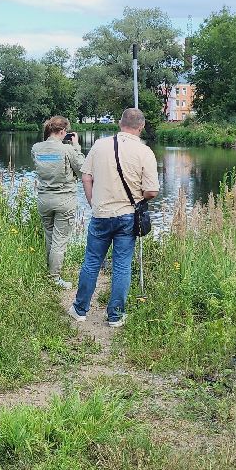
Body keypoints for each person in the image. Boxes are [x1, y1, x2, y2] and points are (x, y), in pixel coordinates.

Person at [71, 107, 159, 327]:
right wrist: (137, 200)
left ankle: (80, 310)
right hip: (128, 216)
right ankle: (115, 316)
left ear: (120, 123)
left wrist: (93, 202)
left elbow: (86, 177)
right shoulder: (145, 152)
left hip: (100, 214)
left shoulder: (100, 145)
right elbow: (152, 191)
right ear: (141, 127)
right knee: (121, 266)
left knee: (91, 262)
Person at [32, 116, 85, 287]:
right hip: (64, 200)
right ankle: (54, 278)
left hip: (44, 199)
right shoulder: (67, 150)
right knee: (59, 240)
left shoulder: (36, 148)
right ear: (63, 131)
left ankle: (51, 272)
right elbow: (82, 170)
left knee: (49, 237)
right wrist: (76, 147)